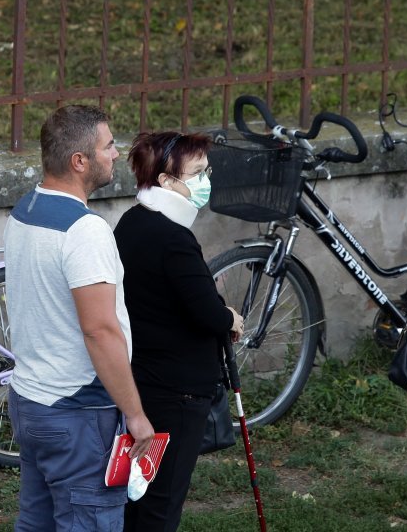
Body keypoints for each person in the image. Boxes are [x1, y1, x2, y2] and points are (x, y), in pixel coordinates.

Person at [5, 105, 155, 531]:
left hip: (31, 400)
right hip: (78, 413)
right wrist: (135, 414)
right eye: (108, 146)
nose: (115, 153)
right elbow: (100, 330)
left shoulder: (25, 210)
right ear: (79, 161)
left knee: (36, 521)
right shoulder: (85, 231)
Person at [114, 131, 244, 532]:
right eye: (197, 173)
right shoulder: (174, 239)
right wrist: (230, 319)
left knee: (138, 494)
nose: (205, 181)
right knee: (162, 501)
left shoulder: (132, 221)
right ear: (167, 182)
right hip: (179, 390)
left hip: (144, 378)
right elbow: (206, 311)